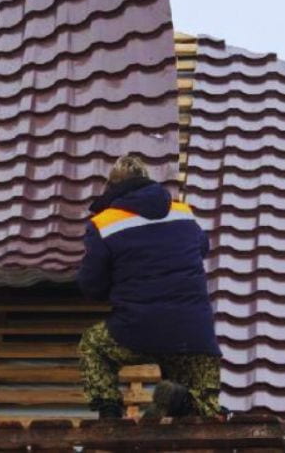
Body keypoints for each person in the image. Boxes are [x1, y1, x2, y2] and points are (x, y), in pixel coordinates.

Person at [76, 154, 221, 419]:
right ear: (148, 181)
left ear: (112, 187)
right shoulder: (182, 211)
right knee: (205, 409)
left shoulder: (104, 223)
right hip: (195, 333)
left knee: (92, 346)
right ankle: (182, 403)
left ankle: (109, 410)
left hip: (137, 329)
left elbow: (91, 286)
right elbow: (202, 247)